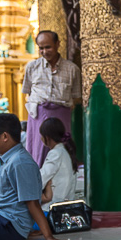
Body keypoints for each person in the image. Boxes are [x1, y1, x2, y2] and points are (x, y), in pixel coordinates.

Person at [0, 113, 73, 240]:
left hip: (9, 226)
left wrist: (48, 236)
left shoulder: (20, 162)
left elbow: (32, 203)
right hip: (1, 218)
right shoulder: (10, 158)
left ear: (5, 137)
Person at [21, 30, 82, 166]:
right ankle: (39, 183)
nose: (44, 51)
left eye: (48, 47)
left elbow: (76, 96)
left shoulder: (72, 69)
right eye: (41, 48)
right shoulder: (32, 67)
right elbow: (28, 92)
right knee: (39, 150)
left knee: (62, 150)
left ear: (57, 44)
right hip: (38, 114)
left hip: (62, 114)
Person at [39, 117, 80, 211]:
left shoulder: (55, 153)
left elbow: (41, 179)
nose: (41, 139)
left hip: (52, 208)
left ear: (47, 137)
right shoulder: (65, 151)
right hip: (64, 206)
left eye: (41, 135)